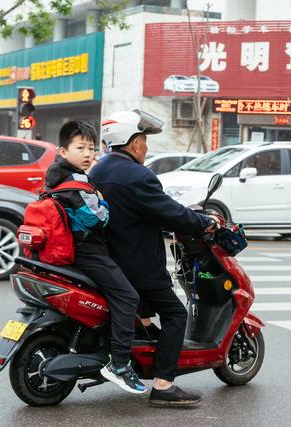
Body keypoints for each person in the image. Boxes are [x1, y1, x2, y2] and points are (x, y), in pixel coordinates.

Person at [90, 110, 216, 407]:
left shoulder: (99, 170)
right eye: (144, 140)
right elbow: (169, 212)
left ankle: (144, 353)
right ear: (133, 142)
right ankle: (164, 384)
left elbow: (144, 210)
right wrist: (202, 222)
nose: (146, 146)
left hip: (110, 260)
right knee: (176, 314)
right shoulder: (137, 175)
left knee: (147, 313)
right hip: (138, 264)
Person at [43, 121, 146, 395]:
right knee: (128, 297)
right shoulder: (76, 182)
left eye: (91, 148)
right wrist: (102, 201)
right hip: (88, 252)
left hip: (65, 251)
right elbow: (97, 218)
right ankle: (120, 364)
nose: (88, 154)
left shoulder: (53, 176)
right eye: (80, 148)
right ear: (63, 151)